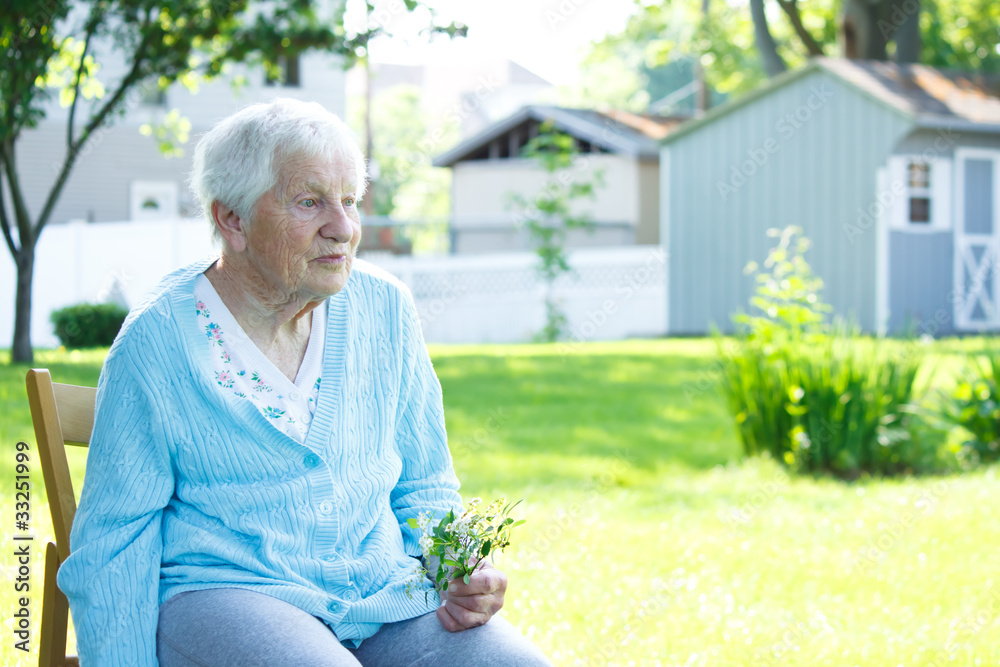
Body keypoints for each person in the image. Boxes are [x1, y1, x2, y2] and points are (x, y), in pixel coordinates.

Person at [57, 98, 552, 667]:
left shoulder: (384, 308)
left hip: (382, 597)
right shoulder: (158, 341)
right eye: (310, 202)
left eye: (349, 201)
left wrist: (461, 566)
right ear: (232, 219)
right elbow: (115, 542)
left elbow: (425, 484)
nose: (342, 229)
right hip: (229, 595)